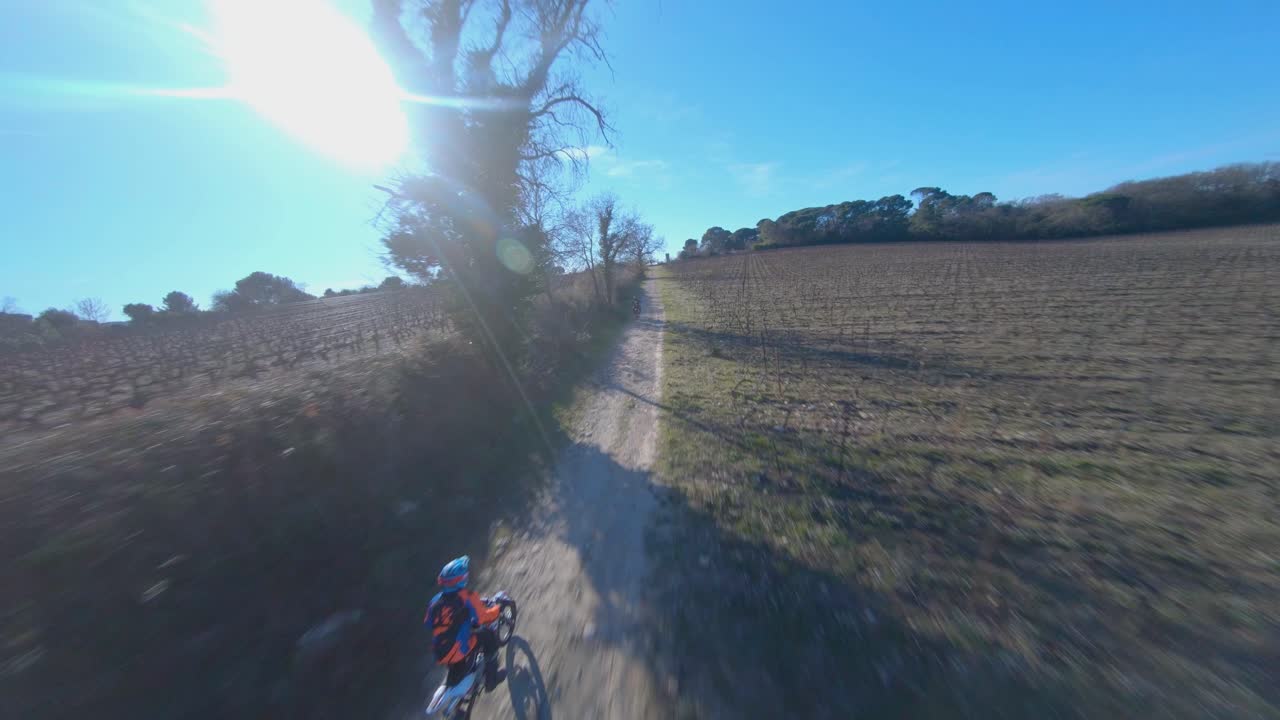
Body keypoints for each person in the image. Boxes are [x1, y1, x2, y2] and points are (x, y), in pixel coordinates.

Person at [425, 556, 506, 690]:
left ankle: (465, 671)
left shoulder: (434, 601)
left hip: (439, 651)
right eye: (464, 576)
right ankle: (492, 680)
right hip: (458, 648)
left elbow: (429, 623)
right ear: (460, 580)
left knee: (463, 636)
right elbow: (484, 618)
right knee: (489, 636)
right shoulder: (467, 596)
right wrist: (497, 609)